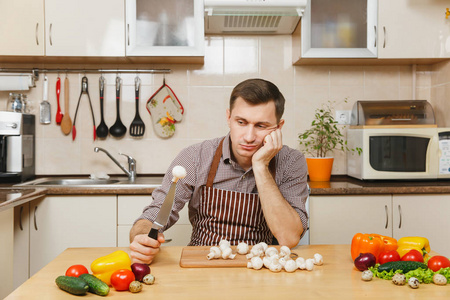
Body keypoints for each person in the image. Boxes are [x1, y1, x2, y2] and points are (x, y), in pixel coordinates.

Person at [129, 78, 309, 264]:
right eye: (241, 122)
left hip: (261, 266)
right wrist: (141, 236)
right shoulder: (195, 157)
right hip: (202, 263)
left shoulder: (291, 161)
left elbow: (289, 238)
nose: (248, 137)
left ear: (278, 127)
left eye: (261, 126)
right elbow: (155, 213)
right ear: (228, 118)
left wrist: (261, 166)